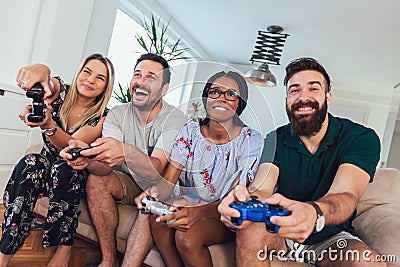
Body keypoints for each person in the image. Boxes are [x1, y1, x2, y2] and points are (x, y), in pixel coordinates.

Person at [218, 57, 385, 266]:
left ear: (328, 96)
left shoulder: (360, 137)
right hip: (281, 231)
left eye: (313, 89)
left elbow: (345, 195)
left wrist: (313, 213)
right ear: (287, 99)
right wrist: (243, 202)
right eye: (294, 90)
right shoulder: (275, 138)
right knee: (249, 229)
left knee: (367, 262)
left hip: (331, 238)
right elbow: (262, 189)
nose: (303, 97)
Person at [60, 53, 187, 267]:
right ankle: (108, 261)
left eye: (151, 77)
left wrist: (125, 151)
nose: (141, 82)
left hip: (160, 185)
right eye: (137, 75)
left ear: (164, 90)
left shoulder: (174, 119)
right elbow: (102, 168)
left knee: (150, 205)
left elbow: (155, 169)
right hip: (129, 181)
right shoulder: (118, 114)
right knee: (95, 181)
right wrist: (88, 156)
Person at [133, 70, 263, 267]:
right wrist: (151, 194)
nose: (221, 98)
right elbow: (168, 183)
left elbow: (237, 197)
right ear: (206, 97)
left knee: (186, 239)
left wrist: (198, 213)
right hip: (192, 201)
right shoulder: (190, 131)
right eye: (215, 92)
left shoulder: (250, 141)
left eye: (231, 94)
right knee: (158, 219)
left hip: (225, 211)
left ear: (239, 104)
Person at [0, 53, 115, 267]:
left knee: (64, 167)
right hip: (45, 167)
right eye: (87, 72)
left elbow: (71, 147)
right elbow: (47, 82)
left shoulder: (102, 117)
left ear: (106, 87)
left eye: (100, 78)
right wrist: (40, 70)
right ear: (79, 72)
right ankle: (5, 252)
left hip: (73, 173)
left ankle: (64, 249)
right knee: (30, 162)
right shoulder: (61, 92)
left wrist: (48, 124)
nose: (90, 80)